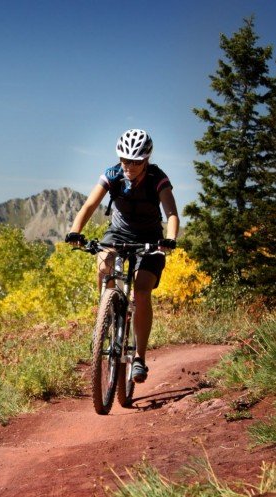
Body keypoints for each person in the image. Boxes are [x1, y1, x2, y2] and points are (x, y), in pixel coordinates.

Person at [65, 129, 179, 383]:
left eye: (136, 161)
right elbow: (89, 205)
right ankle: (106, 314)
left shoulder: (157, 178)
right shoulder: (112, 174)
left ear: (146, 160)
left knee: (140, 290)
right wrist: (75, 231)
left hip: (150, 238)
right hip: (117, 233)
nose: (129, 166)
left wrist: (169, 240)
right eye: (125, 160)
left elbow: (171, 213)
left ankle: (139, 357)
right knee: (103, 265)